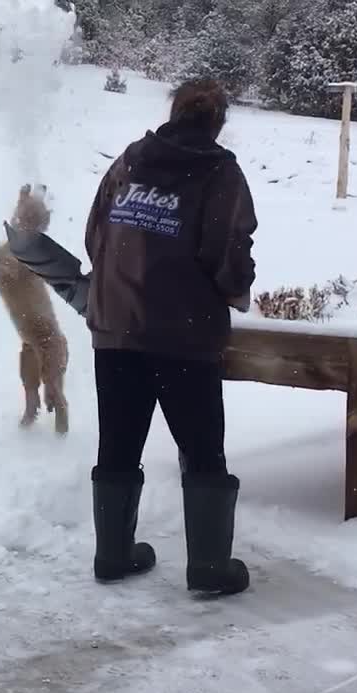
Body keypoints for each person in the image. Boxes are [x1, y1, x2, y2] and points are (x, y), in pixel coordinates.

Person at [81, 77, 258, 596]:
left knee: (118, 442)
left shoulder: (131, 159)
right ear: (218, 120)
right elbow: (227, 251)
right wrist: (236, 288)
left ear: (173, 111)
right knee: (203, 450)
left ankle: (113, 554)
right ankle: (208, 567)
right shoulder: (220, 172)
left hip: (116, 329)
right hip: (184, 335)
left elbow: (95, 235)